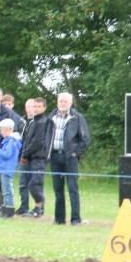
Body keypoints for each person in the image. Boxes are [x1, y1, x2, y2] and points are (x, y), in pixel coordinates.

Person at [48, 92, 91, 225]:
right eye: (61, 101)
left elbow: (85, 139)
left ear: (70, 103)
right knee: (57, 189)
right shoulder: (51, 117)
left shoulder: (77, 118)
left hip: (70, 158)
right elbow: (46, 136)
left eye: (65, 101)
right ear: (57, 102)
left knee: (73, 188)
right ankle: (59, 219)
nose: (62, 103)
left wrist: (74, 152)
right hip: (55, 156)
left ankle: (75, 219)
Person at [17, 97, 51, 217]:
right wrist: (24, 154)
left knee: (34, 184)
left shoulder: (43, 122)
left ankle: (39, 207)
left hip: (38, 158)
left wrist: (25, 154)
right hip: (30, 158)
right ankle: (37, 209)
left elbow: (37, 142)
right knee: (29, 183)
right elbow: (27, 141)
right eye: (34, 106)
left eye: (38, 107)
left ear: (44, 108)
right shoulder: (33, 122)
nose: (36, 109)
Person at [0, 118, 22, 218]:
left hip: (7, 169)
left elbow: (7, 154)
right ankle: (6, 209)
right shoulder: (8, 141)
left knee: (7, 190)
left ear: (8, 129)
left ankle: (9, 211)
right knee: (5, 190)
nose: (1, 132)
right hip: (4, 168)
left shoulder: (11, 142)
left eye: (2, 130)